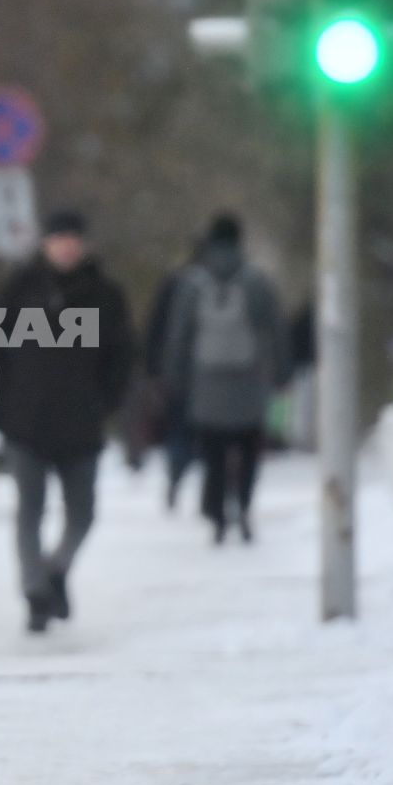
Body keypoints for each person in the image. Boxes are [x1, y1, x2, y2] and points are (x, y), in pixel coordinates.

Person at [0, 209, 133, 633]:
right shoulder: (18, 289)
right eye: (58, 237)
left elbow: (122, 359)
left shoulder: (105, 294)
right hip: (26, 423)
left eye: (73, 238)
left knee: (83, 514)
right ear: (45, 243)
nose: (65, 245)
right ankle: (35, 593)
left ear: (84, 244)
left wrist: (104, 404)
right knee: (30, 510)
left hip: (82, 425)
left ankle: (57, 570)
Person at [164, 213, 285, 544]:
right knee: (247, 450)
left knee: (214, 454)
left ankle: (217, 515)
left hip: (206, 384)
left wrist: (173, 377)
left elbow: (179, 335)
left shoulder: (192, 283)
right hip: (249, 382)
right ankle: (243, 506)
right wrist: (280, 373)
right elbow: (275, 329)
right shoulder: (256, 281)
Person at [143, 241, 204, 510]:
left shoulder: (175, 282)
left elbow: (156, 327)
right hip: (223, 377)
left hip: (180, 373)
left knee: (179, 430)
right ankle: (216, 496)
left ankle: (175, 476)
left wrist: (154, 368)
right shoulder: (240, 282)